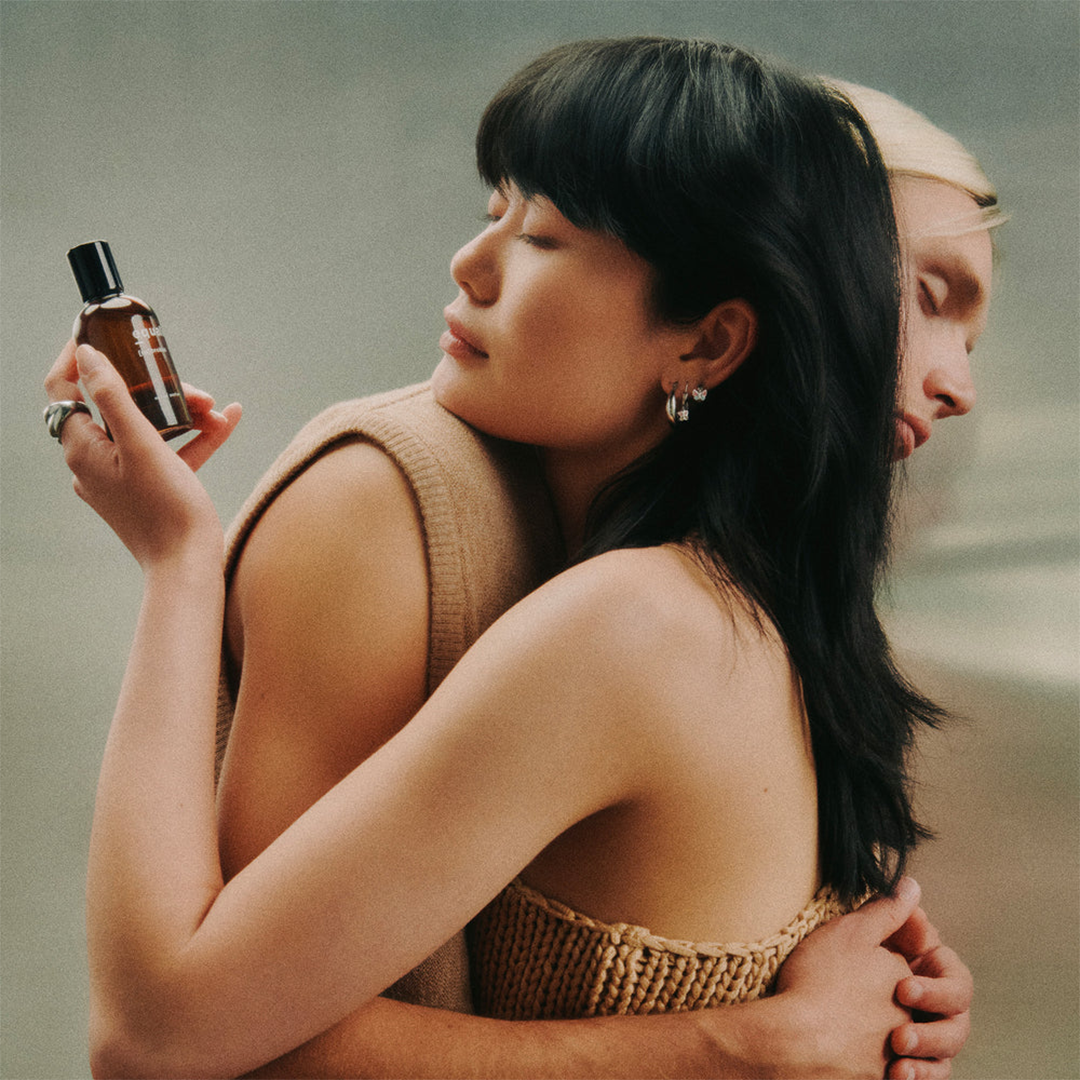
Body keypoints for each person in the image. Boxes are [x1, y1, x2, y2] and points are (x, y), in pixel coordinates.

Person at [43, 38, 995, 1080]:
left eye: (541, 233)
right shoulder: (727, 601)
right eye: (495, 211)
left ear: (709, 343)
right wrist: (759, 1038)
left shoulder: (639, 621)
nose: (470, 261)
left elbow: (155, 1040)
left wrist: (179, 563)